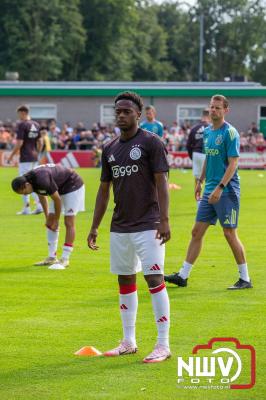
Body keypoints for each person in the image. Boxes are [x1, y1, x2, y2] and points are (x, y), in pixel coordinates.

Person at [87, 91, 171, 363]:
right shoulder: (110, 148)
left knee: (154, 280)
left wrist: (165, 219)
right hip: (120, 226)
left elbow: (162, 183)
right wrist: (95, 226)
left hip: (149, 224)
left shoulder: (151, 143)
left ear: (138, 113)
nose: (121, 115)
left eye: (126, 111)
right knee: (125, 280)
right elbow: (103, 191)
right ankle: (128, 341)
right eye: (117, 111)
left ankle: (163, 344)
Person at [165, 94, 252, 290]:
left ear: (225, 110)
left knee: (229, 233)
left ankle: (245, 278)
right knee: (196, 232)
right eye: (212, 107)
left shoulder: (230, 133)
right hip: (209, 191)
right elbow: (208, 158)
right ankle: (183, 275)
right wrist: (200, 181)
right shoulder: (207, 132)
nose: (214, 110)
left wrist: (220, 188)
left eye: (218, 108)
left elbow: (233, 163)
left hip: (226, 191)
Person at [11, 163, 85, 270]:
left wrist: (57, 220)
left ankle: (65, 258)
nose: (25, 195)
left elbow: (57, 200)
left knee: (68, 222)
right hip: (59, 187)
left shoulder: (41, 179)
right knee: (50, 223)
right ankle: (52, 257)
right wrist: (48, 218)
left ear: (27, 185)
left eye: (24, 192)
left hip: (72, 185)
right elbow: (42, 197)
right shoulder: (30, 180)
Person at [7, 105, 43, 215]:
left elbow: (20, 143)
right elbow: (40, 142)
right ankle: (34, 206)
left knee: (24, 182)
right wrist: (37, 153)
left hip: (25, 158)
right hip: (34, 157)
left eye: (19, 114)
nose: (19, 117)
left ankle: (33, 206)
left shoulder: (22, 125)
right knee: (33, 181)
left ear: (23, 113)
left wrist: (11, 156)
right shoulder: (36, 124)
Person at [186, 109, 210, 202]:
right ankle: (207, 199)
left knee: (197, 178)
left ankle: (198, 200)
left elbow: (188, 145)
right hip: (207, 154)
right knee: (209, 177)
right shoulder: (211, 127)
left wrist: (192, 156)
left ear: (202, 116)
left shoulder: (194, 128)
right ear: (209, 116)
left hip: (196, 153)